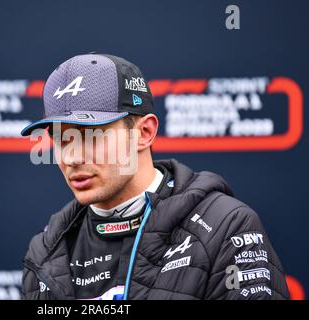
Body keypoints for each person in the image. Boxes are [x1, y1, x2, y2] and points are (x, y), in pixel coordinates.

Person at [20, 53, 289, 300]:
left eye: (92, 136)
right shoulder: (45, 250)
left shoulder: (225, 227)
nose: (71, 158)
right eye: (62, 139)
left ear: (144, 132)